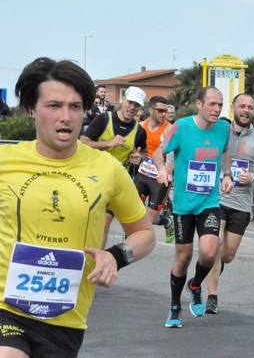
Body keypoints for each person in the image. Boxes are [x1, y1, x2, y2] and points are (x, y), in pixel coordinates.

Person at [0, 57, 155, 357]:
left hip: (66, 318)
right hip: (5, 306)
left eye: (75, 106)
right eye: (54, 105)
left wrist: (116, 256)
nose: (66, 116)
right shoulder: (5, 161)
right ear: (32, 110)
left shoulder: (107, 169)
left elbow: (144, 234)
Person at [153, 86, 233, 328]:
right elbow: (159, 151)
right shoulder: (182, 127)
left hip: (209, 202)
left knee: (210, 252)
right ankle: (175, 306)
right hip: (183, 206)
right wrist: (160, 169)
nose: (216, 109)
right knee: (184, 256)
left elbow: (226, 150)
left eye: (220, 105)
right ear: (199, 104)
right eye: (212, 104)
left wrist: (227, 174)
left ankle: (196, 285)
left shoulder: (223, 128)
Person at [204, 94, 254, 314]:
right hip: (216, 198)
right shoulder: (218, 131)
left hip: (241, 203)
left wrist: (253, 177)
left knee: (227, 255)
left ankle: (213, 270)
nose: (245, 110)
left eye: (250, 107)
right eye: (242, 106)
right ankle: (211, 296)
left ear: (253, 112)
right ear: (233, 108)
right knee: (214, 246)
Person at [81, 86, 148, 247]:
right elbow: (83, 142)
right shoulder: (104, 119)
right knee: (83, 222)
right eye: (130, 102)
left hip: (114, 184)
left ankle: (97, 262)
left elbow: (144, 151)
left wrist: (138, 157)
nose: (132, 108)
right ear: (123, 100)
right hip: (90, 178)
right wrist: (108, 143)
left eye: (136, 105)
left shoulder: (139, 131)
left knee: (104, 224)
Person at [132, 95, 175, 243]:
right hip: (143, 173)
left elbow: (177, 151)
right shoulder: (141, 126)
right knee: (130, 210)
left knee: (150, 218)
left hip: (159, 177)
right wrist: (134, 156)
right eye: (160, 110)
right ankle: (130, 236)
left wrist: (169, 168)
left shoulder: (169, 128)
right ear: (150, 110)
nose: (163, 113)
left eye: (165, 111)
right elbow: (134, 148)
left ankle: (167, 222)